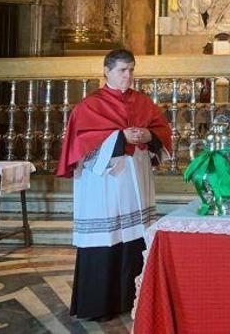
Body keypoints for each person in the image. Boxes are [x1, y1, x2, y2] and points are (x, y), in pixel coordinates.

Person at [56, 50, 172, 322]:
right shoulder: (90, 105)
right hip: (104, 186)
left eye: (131, 70)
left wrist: (149, 135)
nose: (128, 76)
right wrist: (120, 137)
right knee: (106, 240)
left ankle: (131, 299)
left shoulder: (143, 101)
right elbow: (80, 144)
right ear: (106, 71)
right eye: (122, 70)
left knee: (134, 239)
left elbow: (161, 131)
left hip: (134, 184)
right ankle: (97, 305)